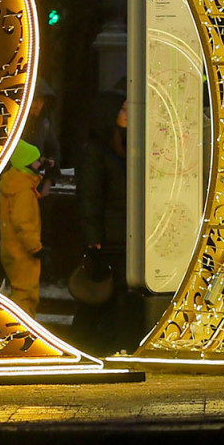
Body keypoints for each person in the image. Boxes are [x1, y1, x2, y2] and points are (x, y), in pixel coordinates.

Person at [73, 90, 135, 355]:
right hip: (109, 236)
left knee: (115, 293)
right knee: (105, 291)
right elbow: (90, 196)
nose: (129, 114)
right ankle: (91, 344)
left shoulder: (125, 147)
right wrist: (93, 238)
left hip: (123, 232)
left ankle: (103, 343)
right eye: (123, 109)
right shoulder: (97, 153)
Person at [0, 140, 45, 316]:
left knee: (19, 290)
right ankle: (21, 331)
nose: (39, 164)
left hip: (11, 247)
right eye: (36, 160)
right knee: (26, 294)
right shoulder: (24, 190)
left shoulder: (12, 184)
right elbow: (23, 222)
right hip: (24, 250)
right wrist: (35, 247)